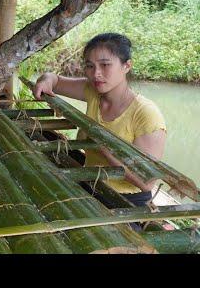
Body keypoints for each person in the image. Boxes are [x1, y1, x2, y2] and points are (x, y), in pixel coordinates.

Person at [32, 33, 167, 207]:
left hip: (125, 200)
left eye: (105, 65)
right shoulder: (93, 92)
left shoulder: (146, 114)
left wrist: (103, 147)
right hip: (90, 183)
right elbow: (54, 79)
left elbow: (147, 182)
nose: (96, 74)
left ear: (126, 66)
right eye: (90, 66)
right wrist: (45, 81)